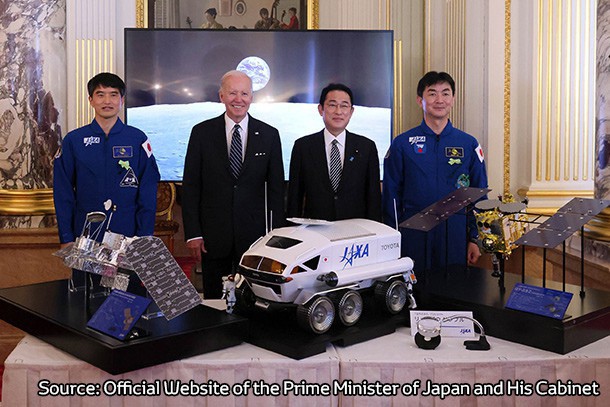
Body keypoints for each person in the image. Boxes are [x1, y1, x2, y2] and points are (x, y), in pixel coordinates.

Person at [182, 70, 285, 299]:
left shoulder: (269, 135)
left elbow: (277, 191)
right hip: (212, 237)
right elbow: (191, 187)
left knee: (253, 299)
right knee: (214, 301)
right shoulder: (201, 133)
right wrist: (193, 233)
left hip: (255, 240)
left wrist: (276, 236)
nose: (239, 99)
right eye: (232, 93)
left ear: (252, 97)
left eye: (245, 93)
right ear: (221, 96)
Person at [382, 71, 488, 274]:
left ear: (453, 99)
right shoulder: (402, 143)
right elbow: (391, 196)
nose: (439, 100)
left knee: (453, 292)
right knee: (415, 292)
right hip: (413, 232)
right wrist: (393, 240)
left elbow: (479, 193)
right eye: (432, 94)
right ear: (420, 100)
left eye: (445, 93)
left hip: (455, 233)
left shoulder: (469, 144)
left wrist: (474, 238)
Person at [53, 72, 160, 247]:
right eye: (100, 95)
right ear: (91, 100)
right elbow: (63, 192)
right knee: (86, 275)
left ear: (122, 100)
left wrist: (144, 236)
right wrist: (66, 237)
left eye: (113, 94)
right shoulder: (74, 140)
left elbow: (148, 191)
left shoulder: (137, 139)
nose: (107, 101)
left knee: (126, 275)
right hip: (85, 233)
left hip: (129, 233)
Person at [287, 83, 381, 221]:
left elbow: (373, 198)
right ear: (321, 109)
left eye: (344, 106)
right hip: (315, 231)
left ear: (351, 111)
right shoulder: (303, 147)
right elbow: (295, 195)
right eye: (332, 105)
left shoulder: (366, 147)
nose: (338, 111)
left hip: (356, 231)